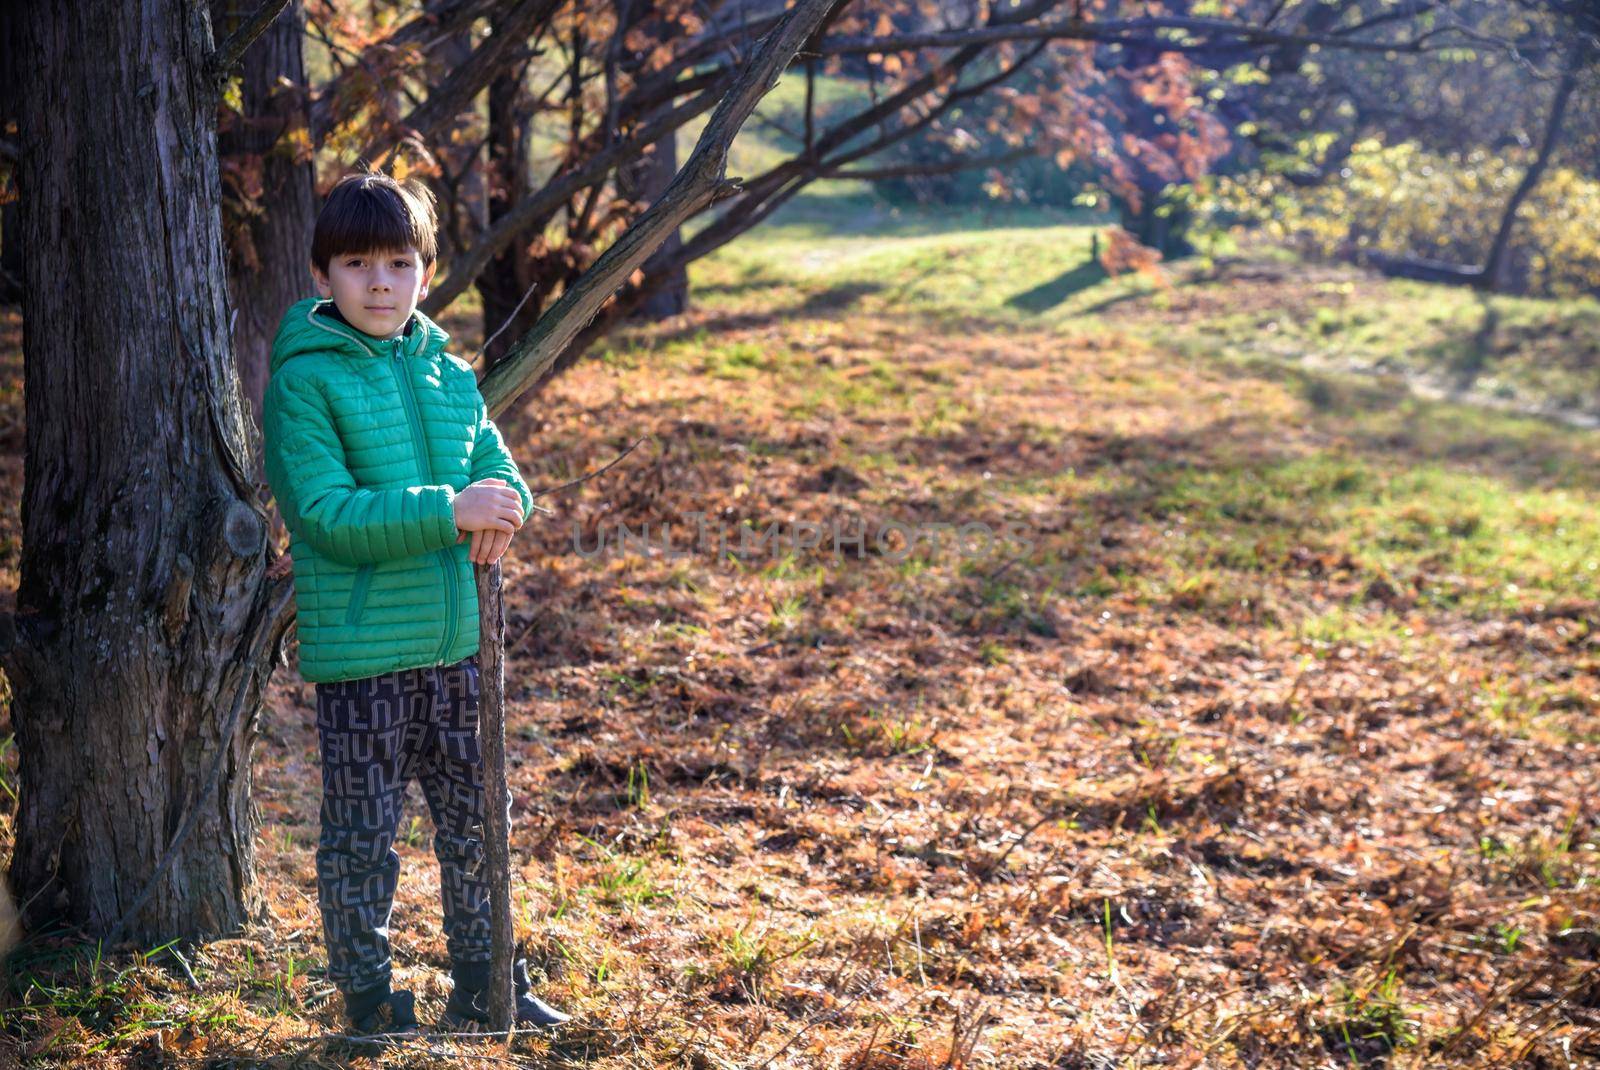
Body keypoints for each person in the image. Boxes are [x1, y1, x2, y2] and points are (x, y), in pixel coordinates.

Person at [261, 170, 570, 1043]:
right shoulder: (304, 385)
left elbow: (497, 469)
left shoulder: (446, 371)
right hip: (367, 659)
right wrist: (450, 510)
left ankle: (487, 986)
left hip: (460, 650)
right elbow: (324, 515)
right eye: (357, 264)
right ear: (323, 276)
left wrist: (505, 506)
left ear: (425, 273)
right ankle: (368, 1004)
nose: (380, 283)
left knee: (480, 825)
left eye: (398, 263)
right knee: (363, 839)